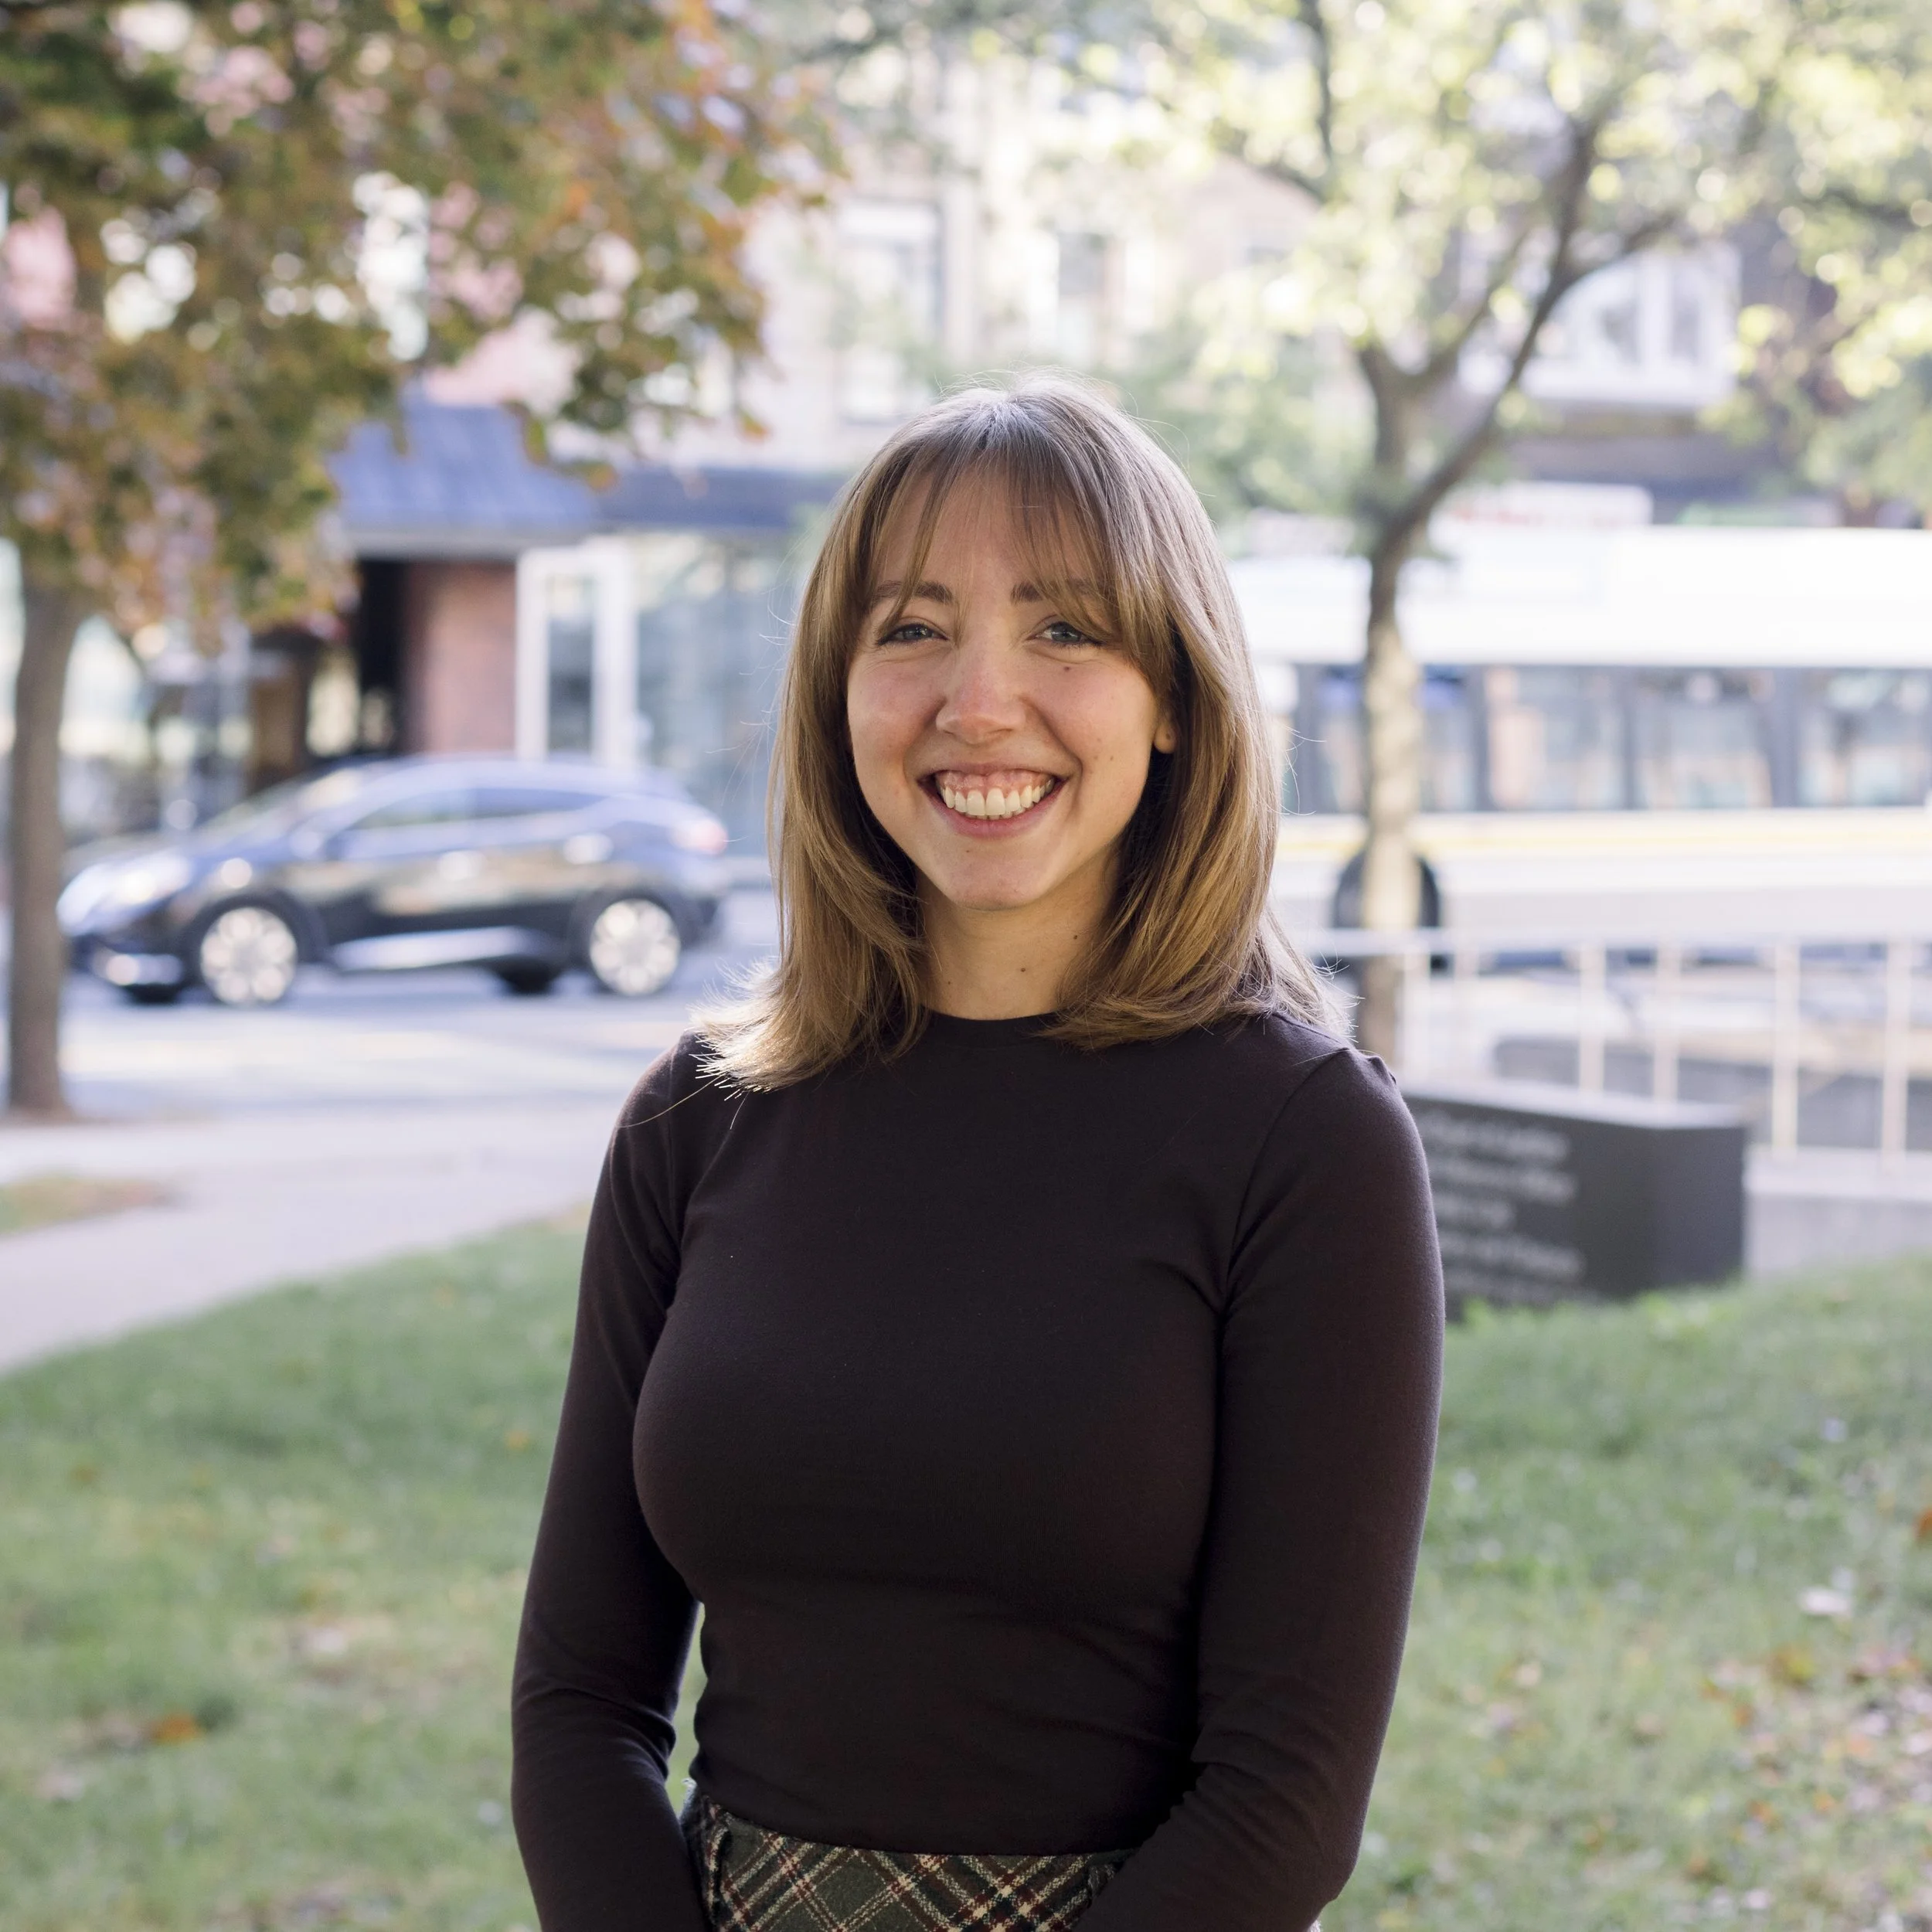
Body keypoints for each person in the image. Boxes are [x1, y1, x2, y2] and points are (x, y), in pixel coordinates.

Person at [511, 376, 1444, 1932]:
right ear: (835, 694)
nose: (980, 699)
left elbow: (1283, 1792)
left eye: (1066, 628)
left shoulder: (1306, 1143)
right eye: (911, 626)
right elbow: (577, 1698)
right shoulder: (696, 1115)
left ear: (1174, 700)